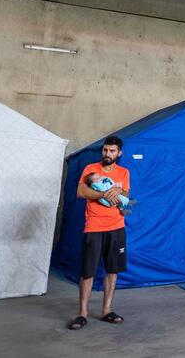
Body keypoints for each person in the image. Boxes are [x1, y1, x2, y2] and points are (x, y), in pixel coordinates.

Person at [69, 136, 130, 331]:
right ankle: (82, 313)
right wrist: (104, 194)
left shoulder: (124, 172)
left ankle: (106, 310)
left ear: (119, 153)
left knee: (112, 270)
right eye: (105, 150)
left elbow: (126, 195)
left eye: (112, 151)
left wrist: (119, 191)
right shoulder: (90, 169)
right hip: (94, 226)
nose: (107, 154)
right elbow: (81, 192)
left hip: (116, 226)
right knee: (87, 272)